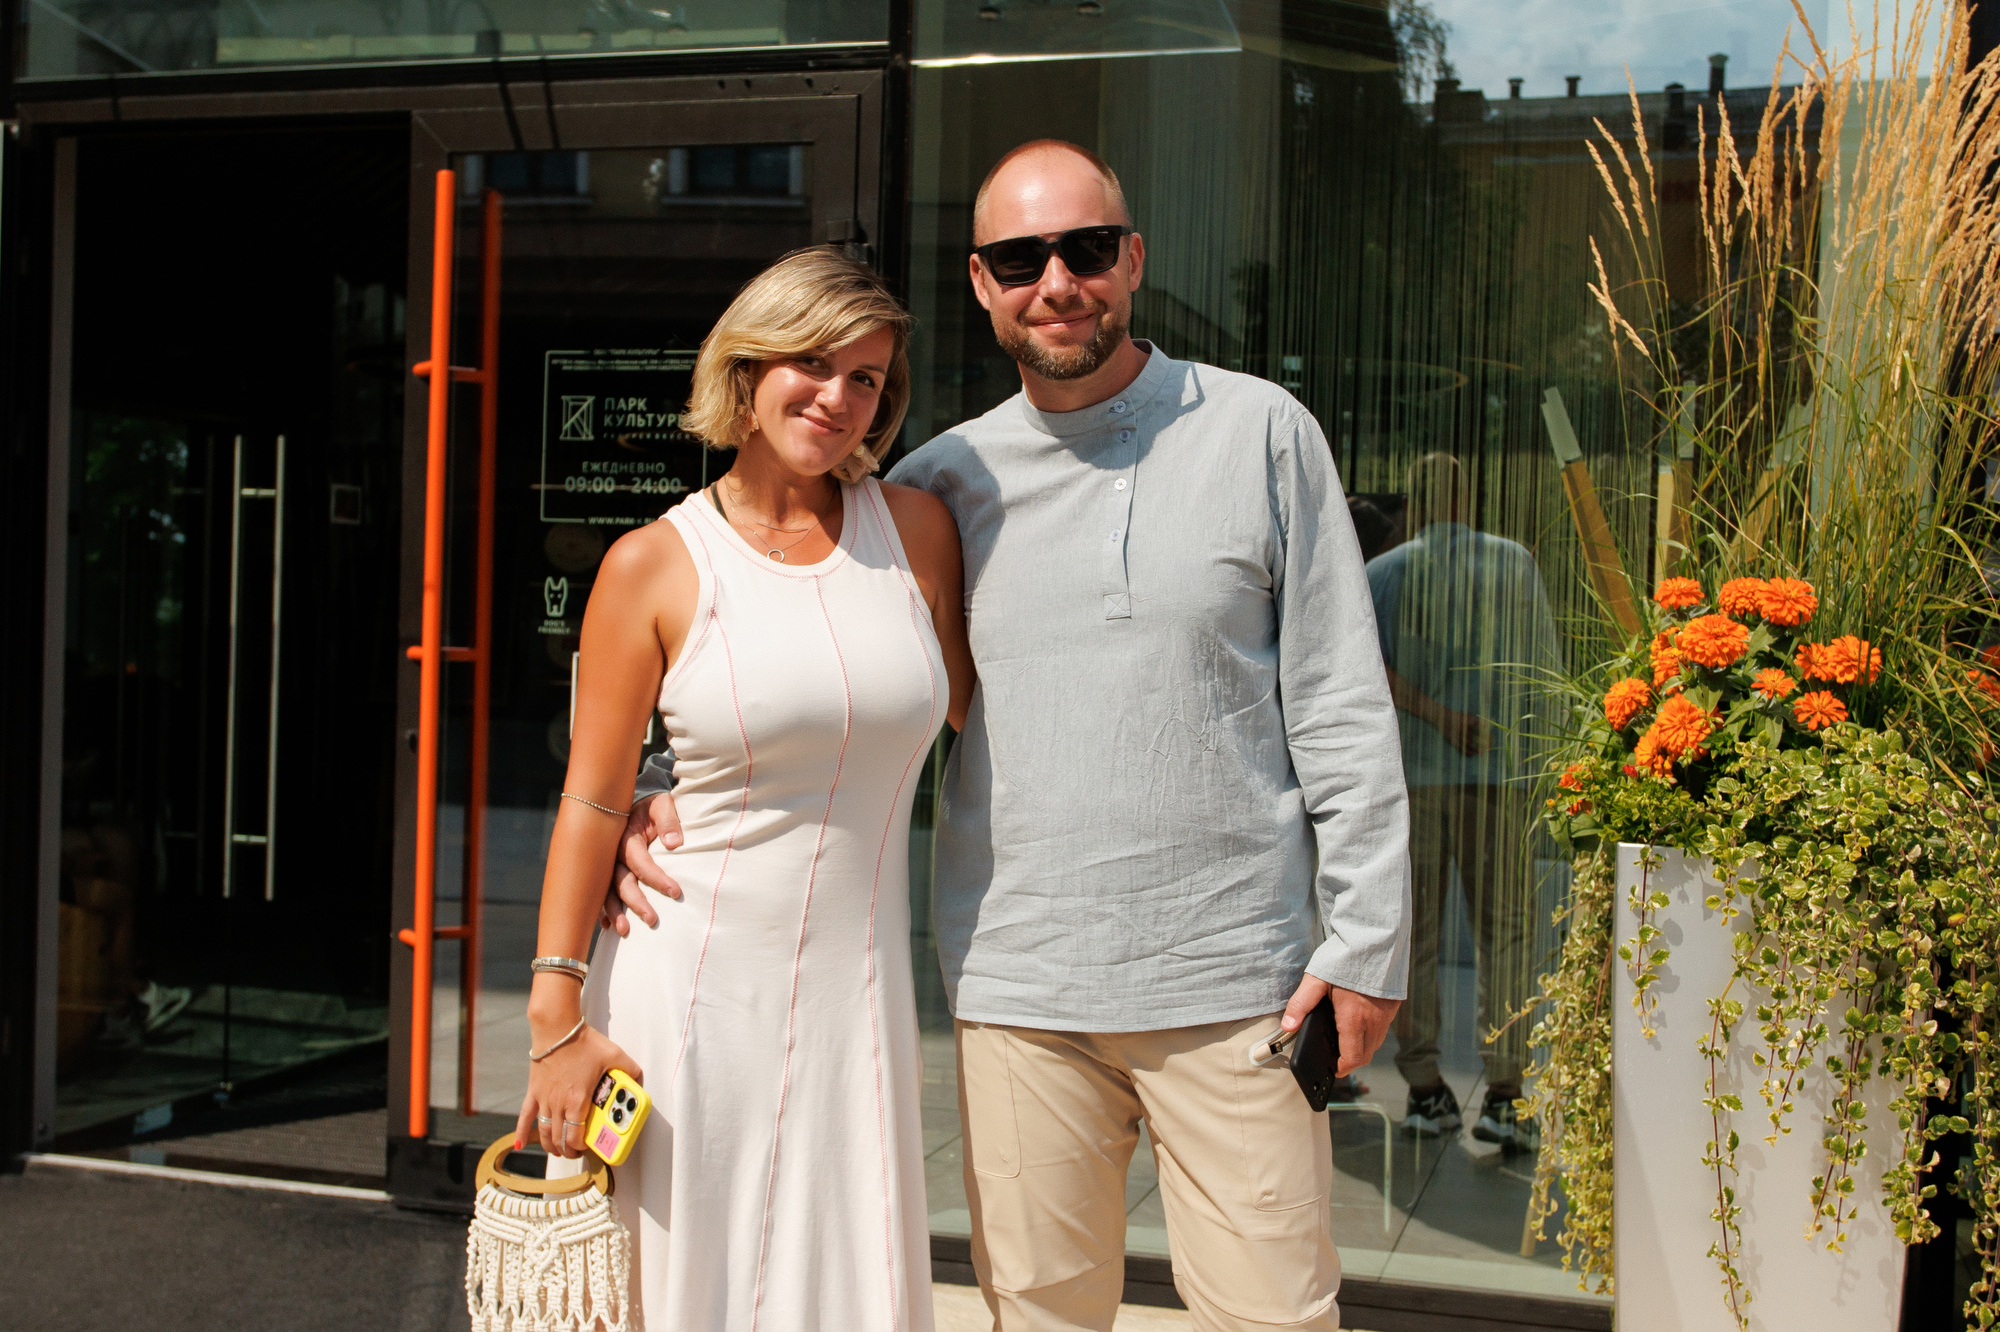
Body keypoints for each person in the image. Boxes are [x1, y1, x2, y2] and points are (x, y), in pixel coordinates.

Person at [611, 140, 1410, 1331]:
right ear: (982, 283)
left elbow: (1339, 698)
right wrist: (656, 783)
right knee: (1035, 1318)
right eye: (1021, 259)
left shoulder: (1258, 432)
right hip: (1018, 992)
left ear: (1130, 259)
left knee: (1274, 1316)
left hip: (1237, 985)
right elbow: (786, 640)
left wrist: (1367, 940)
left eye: (1085, 250)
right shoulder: (941, 487)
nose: (1057, 283)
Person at [518, 246, 973, 1330]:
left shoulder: (917, 536)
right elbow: (591, 799)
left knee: (842, 1277)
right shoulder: (653, 563)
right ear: (749, 367)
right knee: (685, 1277)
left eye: (866, 378)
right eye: (812, 362)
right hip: (689, 982)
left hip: (857, 998)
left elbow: (975, 710)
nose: (837, 397)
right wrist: (553, 1017)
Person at [1365, 451, 1558, 1150]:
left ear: (1415, 505)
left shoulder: (1384, 573)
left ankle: (1424, 1087)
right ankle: (1505, 1092)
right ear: (1468, 499)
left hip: (1414, 780)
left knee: (1415, 935)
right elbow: (1542, 672)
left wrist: (1437, 718)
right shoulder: (1514, 566)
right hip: (1497, 779)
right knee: (1505, 932)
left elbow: (1367, 673)